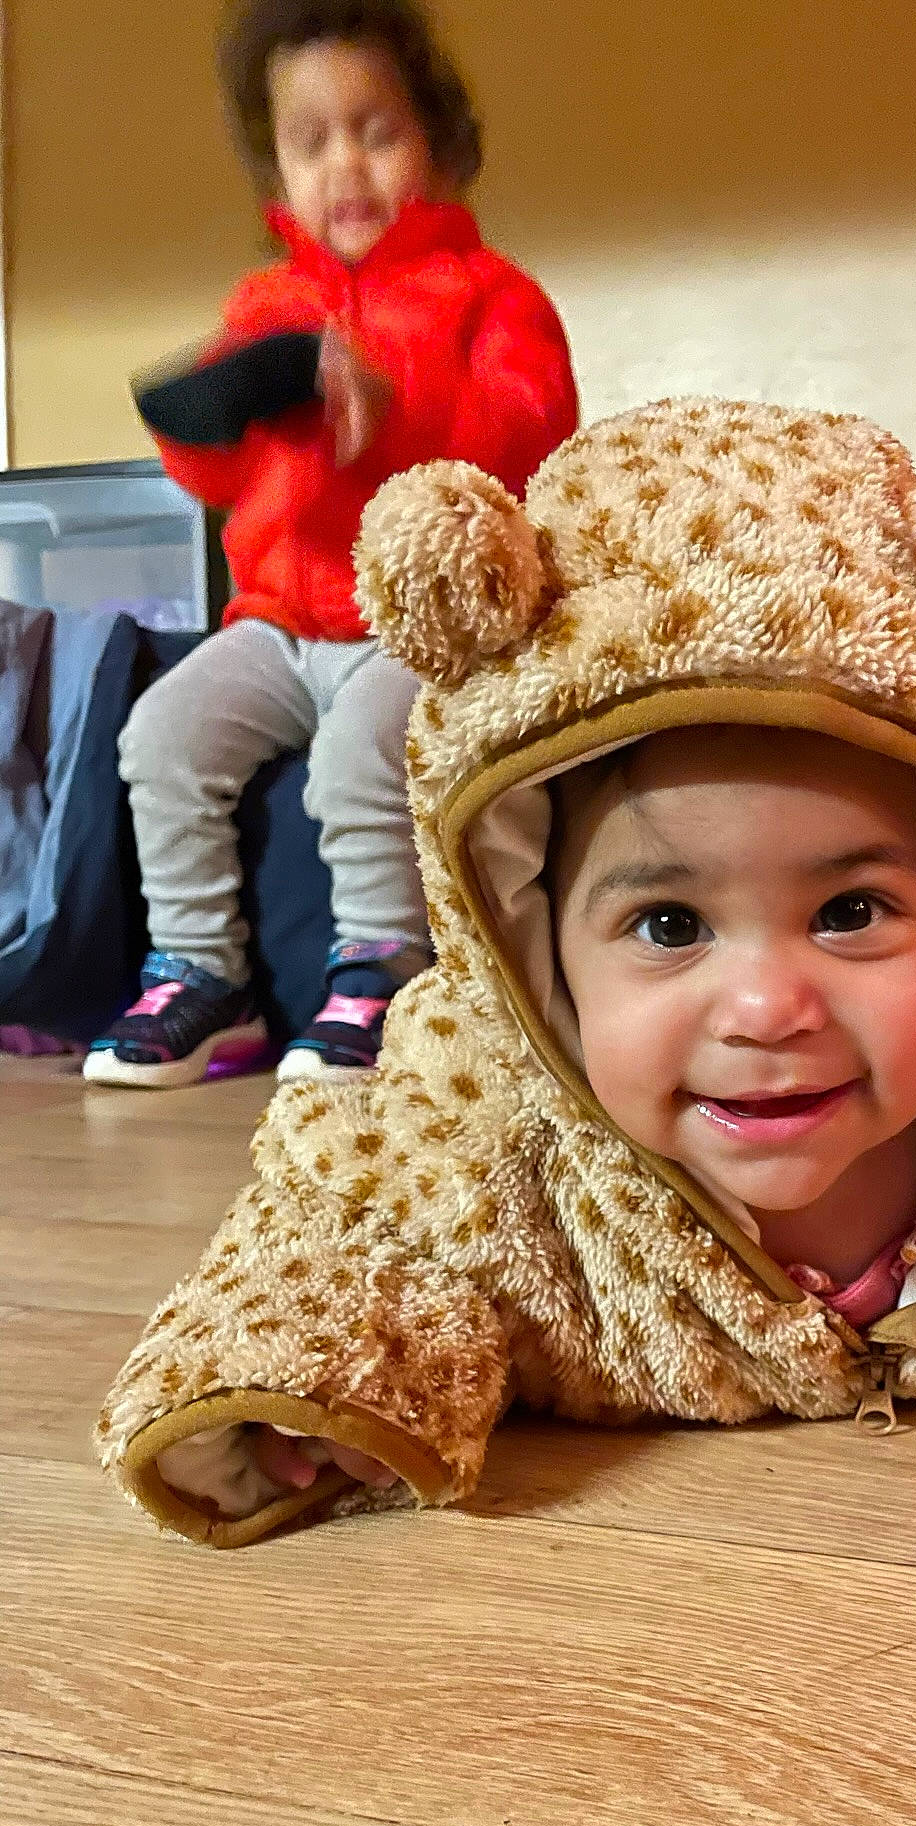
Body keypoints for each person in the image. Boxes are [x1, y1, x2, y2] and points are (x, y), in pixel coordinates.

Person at [96, 400, 916, 1548]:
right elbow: (339, 1229)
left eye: (852, 910)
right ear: (534, 955)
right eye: (670, 927)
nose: (766, 1008)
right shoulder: (479, 1124)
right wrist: (298, 1397)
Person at [84, 0, 578, 1089]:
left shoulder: (492, 298)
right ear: (279, 175)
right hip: (275, 619)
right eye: (311, 142)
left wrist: (391, 402)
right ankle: (202, 975)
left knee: (365, 745)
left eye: (377, 130)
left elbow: (530, 431)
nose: (344, 164)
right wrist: (202, 417)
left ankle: (382, 967)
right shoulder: (268, 304)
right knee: (159, 733)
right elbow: (215, 479)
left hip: (408, 627)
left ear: (439, 145)